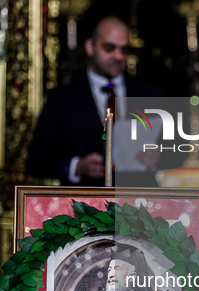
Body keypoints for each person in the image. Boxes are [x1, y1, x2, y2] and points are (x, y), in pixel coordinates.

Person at [26, 16, 172, 187]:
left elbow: (178, 148)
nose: (118, 56)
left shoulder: (150, 94)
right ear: (90, 46)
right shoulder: (62, 98)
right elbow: (36, 160)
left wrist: (159, 156)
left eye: (124, 50)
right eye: (109, 48)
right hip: (84, 204)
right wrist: (77, 166)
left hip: (140, 200)